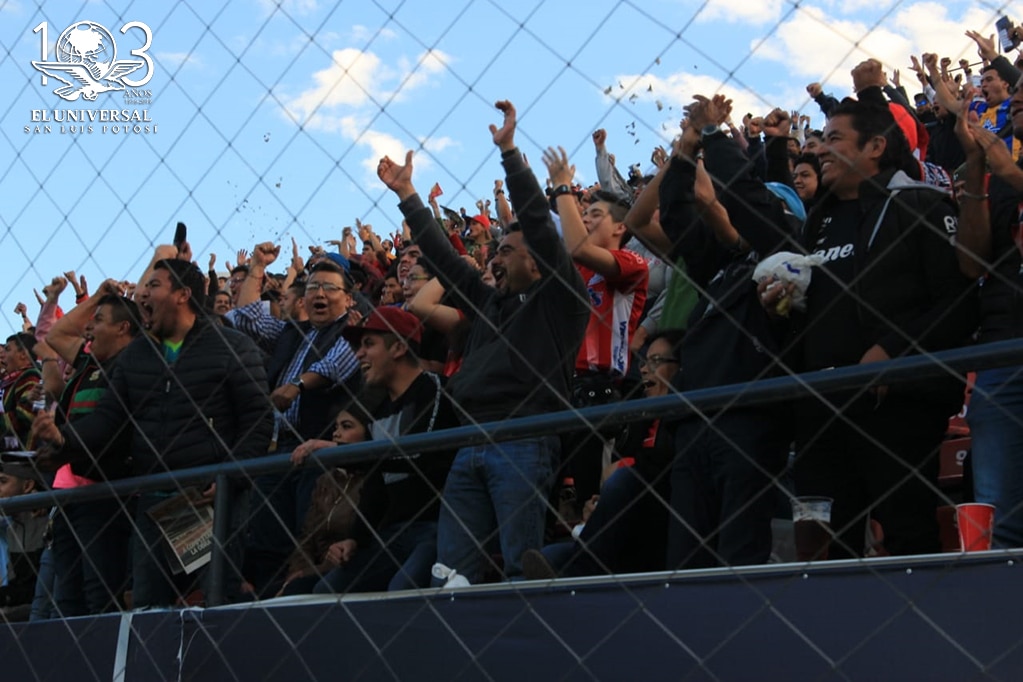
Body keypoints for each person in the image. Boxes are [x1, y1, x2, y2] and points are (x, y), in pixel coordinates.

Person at [763, 64, 977, 558]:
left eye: (834, 139)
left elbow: (961, 304)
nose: (817, 148)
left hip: (897, 408)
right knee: (822, 551)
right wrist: (781, 306)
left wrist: (893, 351)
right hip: (820, 409)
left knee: (907, 537)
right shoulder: (816, 225)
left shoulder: (921, 205)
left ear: (874, 147)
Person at [376, 100, 588, 583]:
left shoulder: (561, 300)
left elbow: (538, 222)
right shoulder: (491, 303)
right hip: (469, 439)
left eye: (507, 251)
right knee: (451, 574)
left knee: (521, 566)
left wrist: (510, 153)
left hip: (523, 437)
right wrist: (408, 194)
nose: (495, 257)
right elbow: (444, 259)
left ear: (538, 262)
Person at [33, 253, 274, 608]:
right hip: (153, 502)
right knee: (149, 609)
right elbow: (107, 421)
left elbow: (258, 419)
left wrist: (230, 476)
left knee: (212, 602)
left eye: (154, 285)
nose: (142, 294)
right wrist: (64, 438)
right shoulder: (136, 357)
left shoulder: (232, 347)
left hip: (210, 503)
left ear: (183, 294)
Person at [228, 245, 361, 596]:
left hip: (318, 451)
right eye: (314, 286)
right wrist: (257, 267)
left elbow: (335, 365)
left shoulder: (353, 331)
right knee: (269, 537)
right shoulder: (293, 332)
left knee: (311, 537)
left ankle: (303, 602)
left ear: (348, 299)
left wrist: (297, 385)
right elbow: (245, 317)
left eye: (330, 288)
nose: (319, 294)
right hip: (276, 450)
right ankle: (272, 601)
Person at [310, 306, 458, 593]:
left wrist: (341, 451)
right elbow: (376, 484)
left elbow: (417, 456)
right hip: (390, 533)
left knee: (399, 591)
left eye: (368, 344)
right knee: (325, 592)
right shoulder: (378, 408)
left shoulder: (434, 388)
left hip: (436, 527)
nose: (358, 355)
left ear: (399, 348)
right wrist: (355, 538)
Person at [522, 330, 682, 579]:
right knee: (550, 556)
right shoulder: (637, 422)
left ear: (680, 368)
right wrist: (597, 506)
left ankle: (583, 571)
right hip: (624, 530)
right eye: (643, 362)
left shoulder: (684, 419)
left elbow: (658, 471)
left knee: (623, 479)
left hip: (660, 526)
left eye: (656, 361)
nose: (644, 370)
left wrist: (625, 469)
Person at [545, 145, 649, 507]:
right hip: (559, 394)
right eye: (583, 214)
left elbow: (577, 247)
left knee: (595, 503)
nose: (586, 220)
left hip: (601, 396)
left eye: (595, 214)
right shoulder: (574, 272)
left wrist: (562, 190)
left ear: (620, 226)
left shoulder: (632, 264)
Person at [38, 281, 140, 616]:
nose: (89, 327)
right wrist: (97, 296)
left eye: (98, 320)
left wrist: (64, 441)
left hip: (107, 494)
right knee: (67, 597)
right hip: (72, 494)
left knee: (99, 594)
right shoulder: (88, 363)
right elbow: (56, 336)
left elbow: (110, 428)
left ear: (123, 328)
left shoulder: (136, 366)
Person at [953, 78, 1023, 547]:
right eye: (1017, 95)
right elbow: (971, 262)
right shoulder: (999, 177)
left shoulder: (1011, 173)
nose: (1016, 100)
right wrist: (978, 169)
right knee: (1002, 520)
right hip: (1003, 353)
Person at [275, 402, 373, 596]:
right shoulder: (327, 480)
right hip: (313, 569)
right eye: (335, 428)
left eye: (346, 427)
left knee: (297, 590)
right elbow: (307, 536)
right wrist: (296, 572)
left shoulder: (372, 481)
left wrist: (306, 574)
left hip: (343, 567)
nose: (336, 433)